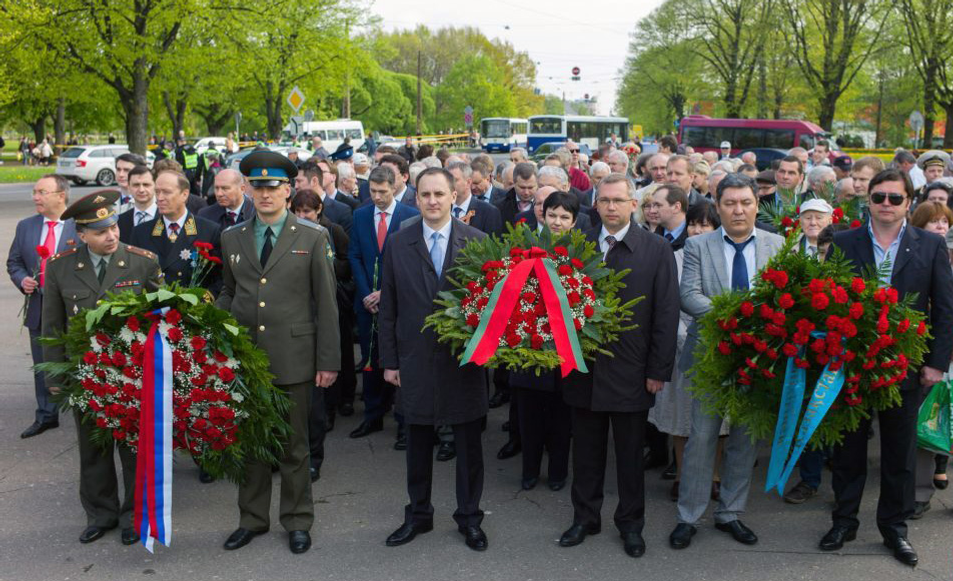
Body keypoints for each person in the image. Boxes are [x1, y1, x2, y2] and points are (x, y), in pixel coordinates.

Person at [820, 169, 953, 567]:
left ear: (909, 202)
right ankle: (844, 521)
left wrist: (936, 363)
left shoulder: (930, 244)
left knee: (899, 452)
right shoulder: (845, 241)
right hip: (852, 364)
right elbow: (828, 301)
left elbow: (945, 309)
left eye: (895, 198)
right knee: (848, 449)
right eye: (879, 197)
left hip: (905, 364)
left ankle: (894, 528)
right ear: (869, 200)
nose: (886, 204)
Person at [218, 149, 340, 555]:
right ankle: (251, 519)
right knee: (251, 444)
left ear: (288, 189)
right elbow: (230, 290)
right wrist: (214, 331)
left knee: (294, 447)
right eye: (257, 187)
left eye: (273, 187)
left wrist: (328, 361)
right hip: (246, 358)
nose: (265, 194)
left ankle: (298, 520)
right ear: (247, 189)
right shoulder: (232, 236)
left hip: (295, 357)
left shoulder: (312, 236)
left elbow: (326, 303)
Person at [557, 174, 679, 558]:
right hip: (584, 369)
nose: (611, 206)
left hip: (632, 370)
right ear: (595, 204)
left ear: (633, 205)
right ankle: (585, 518)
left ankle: (631, 524)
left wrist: (658, 370)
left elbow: (666, 313)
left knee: (629, 457)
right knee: (586, 453)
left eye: (618, 200)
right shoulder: (575, 245)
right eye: (605, 200)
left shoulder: (656, 249)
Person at [42, 189, 163, 545]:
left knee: (133, 449)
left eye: (113, 227)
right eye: (100, 232)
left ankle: (134, 516)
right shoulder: (60, 266)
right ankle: (100, 514)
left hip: (132, 374)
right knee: (93, 448)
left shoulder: (142, 262)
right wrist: (54, 375)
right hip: (85, 374)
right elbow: (53, 326)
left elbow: (164, 316)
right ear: (82, 235)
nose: (111, 236)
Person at [671, 173, 784, 550]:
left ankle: (731, 512)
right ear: (717, 207)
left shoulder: (777, 244)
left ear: (756, 205)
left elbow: (784, 295)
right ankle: (689, 516)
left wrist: (757, 326)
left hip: (759, 356)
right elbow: (689, 295)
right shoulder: (697, 245)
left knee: (745, 437)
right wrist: (738, 317)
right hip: (711, 354)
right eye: (730, 203)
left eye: (746, 203)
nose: (738, 210)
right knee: (702, 437)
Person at [379, 167, 489, 552]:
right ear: (415, 197)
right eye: (425, 194)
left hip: (463, 363)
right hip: (415, 361)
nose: (432, 201)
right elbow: (389, 306)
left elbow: (491, 306)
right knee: (417, 444)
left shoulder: (477, 242)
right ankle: (419, 515)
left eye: (439, 194)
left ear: (453, 196)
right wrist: (390, 361)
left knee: (468, 447)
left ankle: (470, 518)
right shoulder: (398, 243)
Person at [649, 201, 726, 502]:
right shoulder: (674, 257)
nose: (697, 230)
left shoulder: (724, 257)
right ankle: (682, 475)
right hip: (681, 349)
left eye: (704, 224)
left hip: (719, 348)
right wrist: (683, 338)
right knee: (682, 419)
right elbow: (668, 305)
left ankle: (713, 476)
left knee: (719, 421)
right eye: (692, 223)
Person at [348, 166, 420, 447]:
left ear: (394, 187)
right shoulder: (360, 215)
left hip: (397, 303)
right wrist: (367, 292)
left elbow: (411, 263)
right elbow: (355, 256)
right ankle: (373, 414)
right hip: (367, 303)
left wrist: (384, 293)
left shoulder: (410, 216)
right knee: (370, 358)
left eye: (382, 192)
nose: (377, 197)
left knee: (399, 359)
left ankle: (403, 420)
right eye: (373, 191)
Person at [7, 174, 78, 438]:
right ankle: (47, 415)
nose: (35, 197)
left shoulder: (79, 226)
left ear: (61, 195)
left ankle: (84, 413)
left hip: (73, 309)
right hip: (39, 307)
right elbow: (14, 262)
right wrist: (22, 279)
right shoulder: (26, 226)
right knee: (43, 364)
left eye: (41, 192)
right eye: (34, 192)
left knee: (77, 361)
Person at [289, 189, 353, 480]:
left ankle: (316, 450)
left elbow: (346, 262)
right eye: (298, 211)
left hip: (324, 307)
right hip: (294, 318)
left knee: (317, 391)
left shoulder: (330, 231)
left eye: (308, 211)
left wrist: (324, 264)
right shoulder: (289, 234)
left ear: (319, 211)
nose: (303, 216)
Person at [130, 170, 222, 290]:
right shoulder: (141, 232)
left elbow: (219, 279)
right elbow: (134, 277)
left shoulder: (209, 230)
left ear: (184, 194)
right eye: (157, 192)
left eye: (166, 192)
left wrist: (203, 298)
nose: (159, 198)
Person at [447, 161, 503, 236]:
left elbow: (493, 241)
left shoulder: (488, 212)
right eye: (448, 180)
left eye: (455, 180)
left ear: (468, 182)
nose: (450, 184)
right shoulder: (443, 208)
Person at [117, 165, 158, 242]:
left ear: (155, 186)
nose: (141, 190)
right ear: (129, 187)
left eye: (146, 185)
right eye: (136, 185)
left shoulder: (167, 218)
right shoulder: (120, 221)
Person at [651, 184, 689, 250]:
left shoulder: (695, 235)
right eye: (653, 205)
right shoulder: (652, 237)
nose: (652, 211)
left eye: (658, 205)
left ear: (676, 207)